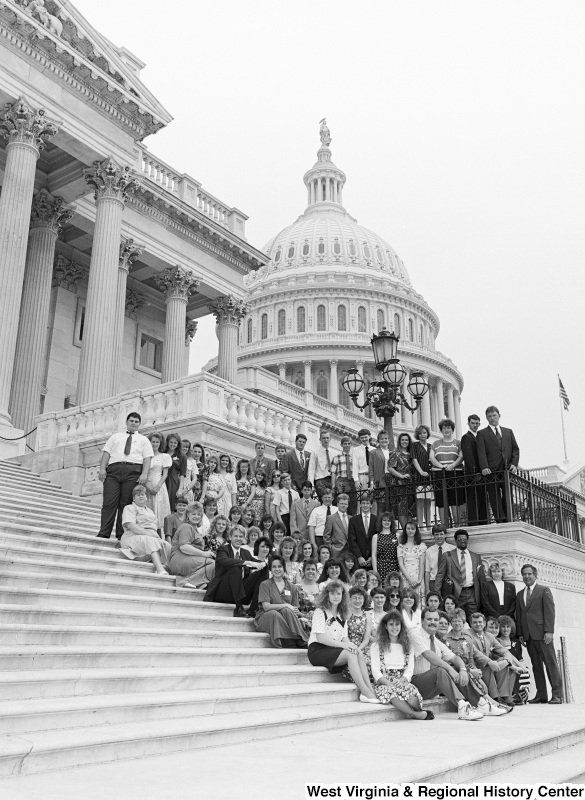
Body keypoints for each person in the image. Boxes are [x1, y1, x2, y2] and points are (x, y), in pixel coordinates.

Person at [307, 580, 379, 703]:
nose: (336, 596)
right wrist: (345, 645)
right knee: (350, 653)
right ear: (327, 595)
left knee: (357, 652)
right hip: (317, 650)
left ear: (343, 596)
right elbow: (320, 638)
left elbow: (344, 637)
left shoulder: (342, 614)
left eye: (339, 594)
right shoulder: (320, 611)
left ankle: (370, 688)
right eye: (333, 593)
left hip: (333, 649)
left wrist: (351, 645)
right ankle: (365, 692)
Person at [408, 608, 484, 721]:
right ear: (422, 620)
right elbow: (428, 655)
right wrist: (450, 669)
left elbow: (454, 657)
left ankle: (481, 704)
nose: (433, 622)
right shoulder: (415, 634)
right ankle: (462, 706)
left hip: (433, 686)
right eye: (429, 619)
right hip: (416, 685)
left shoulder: (434, 640)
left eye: (435, 619)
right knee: (442, 670)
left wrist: (462, 669)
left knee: (457, 670)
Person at [97, 412, 153, 540]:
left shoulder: (144, 440)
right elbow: (106, 453)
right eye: (131, 420)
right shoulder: (115, 437)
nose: (133, 423)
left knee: (126, 504)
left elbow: (147, 458)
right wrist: (102, 469)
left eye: (136, 421)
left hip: (133, 472)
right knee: (109, 503)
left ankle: (121, 534)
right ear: (126, 422)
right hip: (113, 471)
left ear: (139, 424)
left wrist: (144, 474)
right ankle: (104, 533)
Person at [445, 608, 509, 716]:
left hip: (468, 670)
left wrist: (474, 670)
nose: (457, 623)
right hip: (454, 672)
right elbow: (450, 662)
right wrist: (470, 670)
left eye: (459, 621)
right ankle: (492, 704)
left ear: (463, 623)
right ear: (451, 623)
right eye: (454, 621)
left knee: (482, 684)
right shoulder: (446, 639)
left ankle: (489, 704)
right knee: (476, 681)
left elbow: (471, 657)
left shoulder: (466, 639)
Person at [370, 611, 433, 720]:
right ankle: (416, 715)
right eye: (391, 624)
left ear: (401, 626)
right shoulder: (376, 646)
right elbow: (375, 671)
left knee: (412, 697)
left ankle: (417, 710)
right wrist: (388, 683)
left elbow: (409, 670)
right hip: (385, 682)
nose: (394, 627)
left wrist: (401, 681)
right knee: (392, 695)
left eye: (397, 624)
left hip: (402, 681)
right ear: (385, 626)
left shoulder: (409, 646)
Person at [516, 564, 563, 704]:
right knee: (536, 665)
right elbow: (519, 614)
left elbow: (550, 612)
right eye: (524, 574)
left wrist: (549, 631)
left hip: (543, 635)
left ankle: (557, 695)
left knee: (550, 663)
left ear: (535, 575)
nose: (526, 576)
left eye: (529, 574)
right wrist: (520, 634)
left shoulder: (544, 590)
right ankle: (541, 695)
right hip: (528, 636)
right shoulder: (520, 594)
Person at [203, 525, 265, 617]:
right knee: (236, 567)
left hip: (240, 592)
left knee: (264, 569)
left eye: (241, 536)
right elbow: (225, 561)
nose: (238, 539)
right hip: (223, 591)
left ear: (244, 538)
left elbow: (256, 562)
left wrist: (263, 564)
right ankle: (239, 608)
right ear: (230, 537)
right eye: (236, 536)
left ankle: (254, 608)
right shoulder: (223, 549)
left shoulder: (245, 552)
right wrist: (246, 562)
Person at [465, 612, 523, 707]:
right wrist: (490, 662)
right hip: (476, 665)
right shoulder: (467, 634)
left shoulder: (489, 636)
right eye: (475, 622)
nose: (478, 624)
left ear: (484, 623)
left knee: (501, 661)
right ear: (471, 624)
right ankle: (494, 698)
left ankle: (503, 696)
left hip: (489, 664)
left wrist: (506, 661)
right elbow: (475, 653)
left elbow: (504, 650)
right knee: (489, 665)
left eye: (480, 622)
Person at [476, 406, 520, 524]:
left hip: (507, 469)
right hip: (491, 471)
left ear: (499, 416)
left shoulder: (508, 432)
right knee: (494, 497)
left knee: (507, 495)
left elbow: (515, 449)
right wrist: (484, 466)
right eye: (489, 416)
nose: (492, 418)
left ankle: (509, 518)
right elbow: (481, 452)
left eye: (494, 415)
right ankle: (500, 520)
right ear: (486, 418)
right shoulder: (482, 433)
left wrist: (514, 464)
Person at [254, 554, 308, 648]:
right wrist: (286, 605)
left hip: (286, 617)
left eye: (279, 566)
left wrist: (305, 615)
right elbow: (266, 607)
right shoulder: (264, 584)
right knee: (275, 613)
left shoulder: (292, 587)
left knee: (286, 611)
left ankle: (297, 638)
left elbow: (295, 610)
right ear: (270, 569)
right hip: (266, 617)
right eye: (274, 567)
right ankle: (295, 639)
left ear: (284, 568)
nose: (277, 569)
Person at [435, 529, 484, 622]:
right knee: (456, 620)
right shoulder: (447, 556)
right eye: (459, 539)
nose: (462, 541)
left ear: (467, 540)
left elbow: (481, 578)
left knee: (474, 619)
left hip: (472, 593)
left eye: (464, 539)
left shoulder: (476, 557)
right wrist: (438, 595)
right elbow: (440, 576)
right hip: (455, 594)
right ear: (455, 541)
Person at [120, 485, 171, 574]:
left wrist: (154, 536)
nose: (141, 496)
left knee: (166, 545)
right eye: (138, 495)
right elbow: (131, 525)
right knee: (150, 540)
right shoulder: (129, 508)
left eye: (143, 494)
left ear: (146, 497)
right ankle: (159, 569)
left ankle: (166, 567)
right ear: (133, 498)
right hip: (132, 536)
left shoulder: (150, 511)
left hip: (150, 537)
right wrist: (147, 533)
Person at [168, 501, 215, 589]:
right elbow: (184, 547)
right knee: (213, 564)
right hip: (180, 559)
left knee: (214, 566)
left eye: (199, 515)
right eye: (193, 514)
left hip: (190, 560)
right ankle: (185, 581)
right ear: (187, 515)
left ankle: (196, 582)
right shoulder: (186, 527)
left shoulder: (197, 531)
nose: (196, 516)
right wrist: (204, 554)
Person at [430, 418, 464, 527]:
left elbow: (461, 456)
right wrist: (441, 466)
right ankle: (444, 526)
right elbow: (431, 457)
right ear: (441, 430)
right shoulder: (435, 444)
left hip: (455, 473)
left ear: (452, 430)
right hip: (440, 474)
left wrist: (452, 466)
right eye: (444, 428)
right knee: (441, 502)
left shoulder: (458, 443)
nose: (446, 430)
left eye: (449, 427)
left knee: (455, 501)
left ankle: (457, 525)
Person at [460, 414, 488, 526]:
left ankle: (483, 522)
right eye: (473, 423)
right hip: (472, 475)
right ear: (468, 423)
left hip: (482, 474)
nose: (475, 425)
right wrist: (475, 472)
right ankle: (473, 524)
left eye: (477, 423)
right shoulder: (466, 437)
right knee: (473, 500)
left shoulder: (479, 437)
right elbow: (469, 457)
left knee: (482, 500)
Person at [497, 615, 531, 704]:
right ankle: (508, 695)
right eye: (503, 627)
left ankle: (518, 695)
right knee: (513, 669)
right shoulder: (497, 641)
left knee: (525, 668)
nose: (506, 629)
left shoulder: (516, 642)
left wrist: (522, 664)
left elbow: (520, 658)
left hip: (515, 665)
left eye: (508, 627)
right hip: (504, 666)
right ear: (499, 628)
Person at [145, 432, 172, 532]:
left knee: (159, 512)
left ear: (160, 443)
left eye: (157, 442)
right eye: (153, 442)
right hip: (146, 486)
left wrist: (157, 487)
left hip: (159, 486)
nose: (155, 444)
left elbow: (165, 474)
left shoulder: (164, 456)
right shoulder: (145, 457)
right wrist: (147, 486)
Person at [387, 432, 415, 529]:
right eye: (402, 440)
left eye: (406, 440)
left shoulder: (412, 454)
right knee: (402, 508)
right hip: (400, 484)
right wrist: (401, 476)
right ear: (399, 441)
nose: (404, 442)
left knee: (410, 508)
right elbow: (390, 468)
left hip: (411, 484)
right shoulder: (395, 453)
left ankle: (410, 530)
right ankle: (404, 530)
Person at [397, 521, 427, 606]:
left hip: (418, 577)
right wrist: (409, 579)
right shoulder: (401, 547)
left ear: (416, 530)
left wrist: (419, 580)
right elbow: (401, 564)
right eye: (408, 528)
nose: (410, 531)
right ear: (405, 530)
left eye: (413, 529)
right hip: (405, 577)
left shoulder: (421, 546)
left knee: (418, 601)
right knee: (406, 600)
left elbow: (422, 564)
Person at [411, 424, 432, 530]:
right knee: (420, 502)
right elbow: (414, 460)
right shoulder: (414, 445)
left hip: (429, 477)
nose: (422, 435)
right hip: (419, 477)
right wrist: (421, 472)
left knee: (428, 502)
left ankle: (429, 526)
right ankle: (421, 526)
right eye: (420, 433)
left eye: (424, 433)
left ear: (427, 434)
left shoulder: (431, 446)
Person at [347, 494, 377, 568]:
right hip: (358, 560)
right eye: (363, 503)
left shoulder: (376, 520)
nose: (365, 505)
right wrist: (359, 556)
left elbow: (378, 539)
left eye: (367, 503)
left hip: (372, 559)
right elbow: (352, 540)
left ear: (371, 505)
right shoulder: (353, 520)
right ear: (360, 505)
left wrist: (372, 557)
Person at [424, 524, 455, 594]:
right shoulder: (429, 551)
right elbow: (427, 572)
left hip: (448, 582)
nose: (439, 537)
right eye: (436, 534)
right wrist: (427, 589)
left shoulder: (452, 549)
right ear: (433, 536)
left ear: (445, 535)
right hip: (433, 582)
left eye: (441, 534)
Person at [330, 436, 357, 514]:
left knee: (352, 503)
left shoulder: (354, 458)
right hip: (341, 482)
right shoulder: (336, 457)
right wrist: (333, 486)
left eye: (349, 444)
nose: (347, 445)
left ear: (351, 445)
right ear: (341, 445)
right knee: (342, 502)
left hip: (352, 482)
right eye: (345, 444)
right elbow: (333, 473)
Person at [371, 511, 399, 586]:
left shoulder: (397, 536)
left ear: (392, 522)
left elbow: (400, 554)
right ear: (381, 522)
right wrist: (375, 571)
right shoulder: (375, 537)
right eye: (384, 520)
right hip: (381, 568)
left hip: (394, 567)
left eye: (389, 520)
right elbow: (374, 555)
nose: (387, 522)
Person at [368, 430, 392, 515]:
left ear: (388, 440)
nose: (384, 440)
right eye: (381, 439)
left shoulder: (392, 452)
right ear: (378, 441)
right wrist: (372, 482)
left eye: (385, 438)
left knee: (390, 506)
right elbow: (371, 468)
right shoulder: (373, 452)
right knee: (380, 507)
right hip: (380, 481)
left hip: (391, 481)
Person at [308, 429, 334, 500]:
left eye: (327, 438)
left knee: (333, 501)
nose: (326, 440)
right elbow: (311, 469)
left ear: (330, 439)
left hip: (332, 480)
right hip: (320, 480)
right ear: (320, 439)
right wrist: (312, 485)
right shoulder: (315, 452)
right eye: (324, 438)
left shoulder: (334, 452)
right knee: (324, 500)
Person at [323, 492, 351, 559]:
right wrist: (331, 548)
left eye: (345, 504)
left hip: (350, 551)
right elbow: (326, 536)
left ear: (348, 505)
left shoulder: (351, 518)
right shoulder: (331, 518)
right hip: (336, 551)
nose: (343, 505)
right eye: (341, 503)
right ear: (337, 504)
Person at [165, 432, 187, 513]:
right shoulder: (162, 452)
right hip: (161, 481)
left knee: (172, 506)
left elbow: (182, 474)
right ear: (167, 442)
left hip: (173, 483)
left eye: (175, 443)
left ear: (178, 444)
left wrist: (180, 488)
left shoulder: (182, 456)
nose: (173, 444)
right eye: (171, 442)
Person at [351, 428, 373, 495]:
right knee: (363, 499)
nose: (364, 439)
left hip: (372, 477)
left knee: (373, 500)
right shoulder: (356, 450)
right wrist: (356, 480)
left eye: (365, 437)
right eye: (362, 438)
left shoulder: (374, 450)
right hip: (362, 477)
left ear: (369, 436)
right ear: (359, 439)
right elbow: (355, 465)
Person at [180, 439, 199, 503]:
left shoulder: (192, 461)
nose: (184, 448)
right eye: (183, 446)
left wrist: (187, 489)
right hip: (176, 486)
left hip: (188, 488)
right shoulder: (175, 459)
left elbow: (195, 478)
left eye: (186, 447)